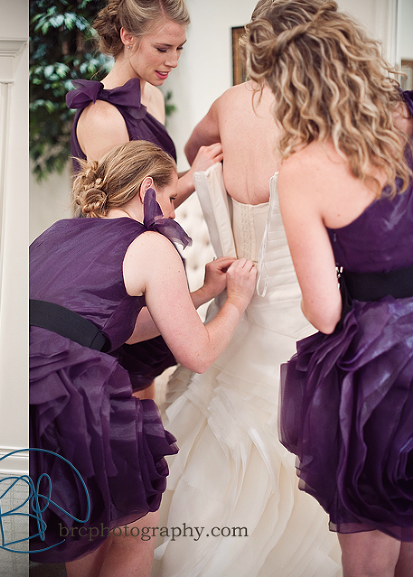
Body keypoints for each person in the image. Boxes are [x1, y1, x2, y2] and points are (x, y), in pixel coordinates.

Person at [152, 2, 342, 575]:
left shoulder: (230, 102)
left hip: (238, 306)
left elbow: (194, 152)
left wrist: (222, 166)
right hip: (306, 310)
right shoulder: (323, 109)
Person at [29, 140, 257, 577]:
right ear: (146, 188)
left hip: (32, 387)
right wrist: (236, 301)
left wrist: (203, 293)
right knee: (135, 528)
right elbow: (199, 354)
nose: (171, 212)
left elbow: (116, 326)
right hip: (75, 394)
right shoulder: (151, 243)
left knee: (83, 527)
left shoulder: (58, 231)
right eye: (170, 198)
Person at [246, 2, 413, 575]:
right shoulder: (408, 114)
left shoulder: (304, 169)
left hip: (384, 362)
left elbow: (323, 312)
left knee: (370, 551)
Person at [66, 0, 223, 396]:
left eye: (180, 48)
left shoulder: (152, 97)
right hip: (118, 269)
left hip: (153, 254)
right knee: (126, 394)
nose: (173, 60)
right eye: (162, 48)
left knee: (144, 390)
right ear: (127, 37)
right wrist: (195, 176)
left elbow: (157, 193)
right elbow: (126, 217)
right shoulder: (102, 118)